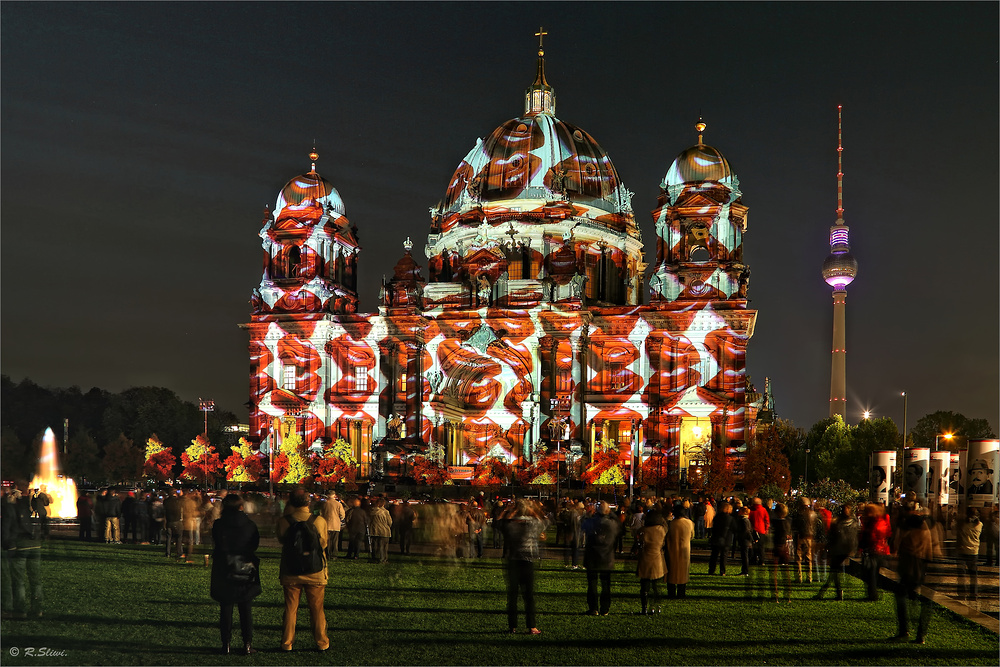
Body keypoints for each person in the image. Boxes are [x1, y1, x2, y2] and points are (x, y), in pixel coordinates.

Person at [277, 488, 329, 652]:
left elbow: (281, 540)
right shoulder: (319, 521)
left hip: (291, 571)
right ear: (308, 502)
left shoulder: (284, 521)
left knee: (291, 609)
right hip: (315, 571)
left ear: (291, 502)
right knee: (317, 609)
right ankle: (322, 642)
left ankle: (287, 643)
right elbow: (323, 544)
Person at [211, 494, 261, 655]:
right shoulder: (250, 525)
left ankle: (225, 644)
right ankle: (247, 643)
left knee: (226, 607)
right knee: (245, 607)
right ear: (241, 507)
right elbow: (254, 544)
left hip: (224, 567)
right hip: (245, 567)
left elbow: (217, 542)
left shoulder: (219, 525)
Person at [499, 499, 547, 634]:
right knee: (528, 596)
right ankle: (532, 626)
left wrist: (511, 511)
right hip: (528, 561)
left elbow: (500, 523)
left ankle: (512, 626)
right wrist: (531, 510)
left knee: (512, 596)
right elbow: (543, 522)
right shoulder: (532, 523)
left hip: (513, 560)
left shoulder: (511, 523)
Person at [891, 505, 934, 644]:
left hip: (909, 568)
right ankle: (920, 635)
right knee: (920, 602)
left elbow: (896, 546)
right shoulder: (926, 530)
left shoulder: (908, 532)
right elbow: (929, 552)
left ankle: (904, 631)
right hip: (921, 568)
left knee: (902, 599)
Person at [1, 486, 42, 618]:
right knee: (35, 580)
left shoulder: (9, 509)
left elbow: (5, 529)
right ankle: (37, 609)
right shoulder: (25, 508)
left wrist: (7, 545)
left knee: (18, 580)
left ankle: (20, 610)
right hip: (34, 545)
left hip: (20, 546)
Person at [814, 504, 859, 601]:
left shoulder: (838, 522)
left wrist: (828, 547)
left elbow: (833, 536)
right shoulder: (853, 522)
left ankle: (832, 592)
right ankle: (828, 592)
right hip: (843, 549)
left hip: (839, 549)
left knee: (834, 571)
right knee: (834, 572)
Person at [583, 501, 619, 615]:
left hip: (592, 555)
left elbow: (583, 525)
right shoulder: (611, 524)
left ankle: (593, 608)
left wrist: (589, 515)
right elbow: (619, 526)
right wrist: (611, 514)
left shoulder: (591, 522)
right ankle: (605, 608)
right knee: (605, 584)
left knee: (592, 583)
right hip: (606, 556)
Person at [636, 510, 667, 614]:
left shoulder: (643, 530)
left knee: (644, 586)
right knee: (656, 586)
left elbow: (638, 542)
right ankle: (656, 607)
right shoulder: (661, 530)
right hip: (657, 559)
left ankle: (644, 608)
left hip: (645, 558)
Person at [859, 503, 892, 601]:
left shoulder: (874, 523)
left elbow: (871, 536)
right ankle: (873, 594)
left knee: (871, 574)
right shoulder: (880, 521)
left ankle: (872, 595)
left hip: (873, 550)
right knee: (873, 573)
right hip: (878, 550)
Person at [665, 503, 694, 598]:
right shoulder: (689, 523)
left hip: (672, 549)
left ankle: (671, 592)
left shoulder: (671, 524)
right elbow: (692, 536)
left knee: (672, 571)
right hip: (684, 550)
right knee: (683, 571)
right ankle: (681, 592)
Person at [955, 507, 982, 601]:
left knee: (961, 574)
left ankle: (962, 593)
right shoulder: (980, 525)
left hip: (962, 551)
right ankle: (973, 594)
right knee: (973, 574)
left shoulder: (963, 524)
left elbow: (956, 530)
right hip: (974, 552)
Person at [770, 502, 791, 603]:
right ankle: (787, 596)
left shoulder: (775, 522)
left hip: (777, 546)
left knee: (774, 573)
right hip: (785, 547)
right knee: (785, 573)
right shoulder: (787, 522)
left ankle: (776, 595)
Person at [791, 497, 816, 583]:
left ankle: (799, 577)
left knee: (798, 558)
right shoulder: (813, 513)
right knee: (809, 557)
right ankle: (810, 577)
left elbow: (794, 526)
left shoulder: (798, 514)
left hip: (800, 536)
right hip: (809, 537)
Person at [708, 501, 733, 576]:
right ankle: (722, 571)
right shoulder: (730, 518)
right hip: (726, 539)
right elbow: (734, 528)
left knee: (714, 555)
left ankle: (711, 570)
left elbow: (714, 527)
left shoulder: (717, 517)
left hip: (716, 537)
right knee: (724, 556)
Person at [320, 493, 345, 560]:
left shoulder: (325, 504)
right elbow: (342, 514)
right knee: (335, 541)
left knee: (328, 540)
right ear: (334, 495)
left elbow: (321, 513)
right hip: (335, 525)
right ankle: (334, 555)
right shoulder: (338, 504)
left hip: (327, 524)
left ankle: (327, 554)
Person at [369, 497, 392, 564]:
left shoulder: (372, 511)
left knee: (375, 545)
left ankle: (375, 557)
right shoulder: (385, 512)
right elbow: (389, 522)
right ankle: (383, 559)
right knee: (383, 546)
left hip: (374, 530)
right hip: (384, 531)